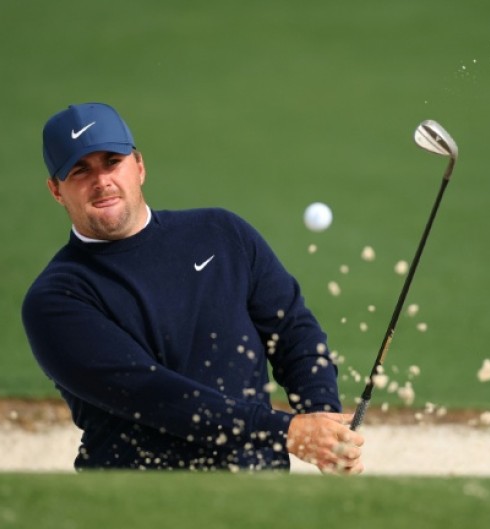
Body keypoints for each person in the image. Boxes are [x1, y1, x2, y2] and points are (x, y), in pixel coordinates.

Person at [22, 102, 364, 473]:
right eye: (80, 170)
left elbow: (293, 333)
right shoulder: (56, 299)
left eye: (111, 162)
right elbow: (155, 397)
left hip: (259, 486)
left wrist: (323, 419)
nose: (101, 180)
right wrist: (286, 432)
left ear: (139, 166)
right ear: (56, 190)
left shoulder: (221, 234)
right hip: (138, 499)